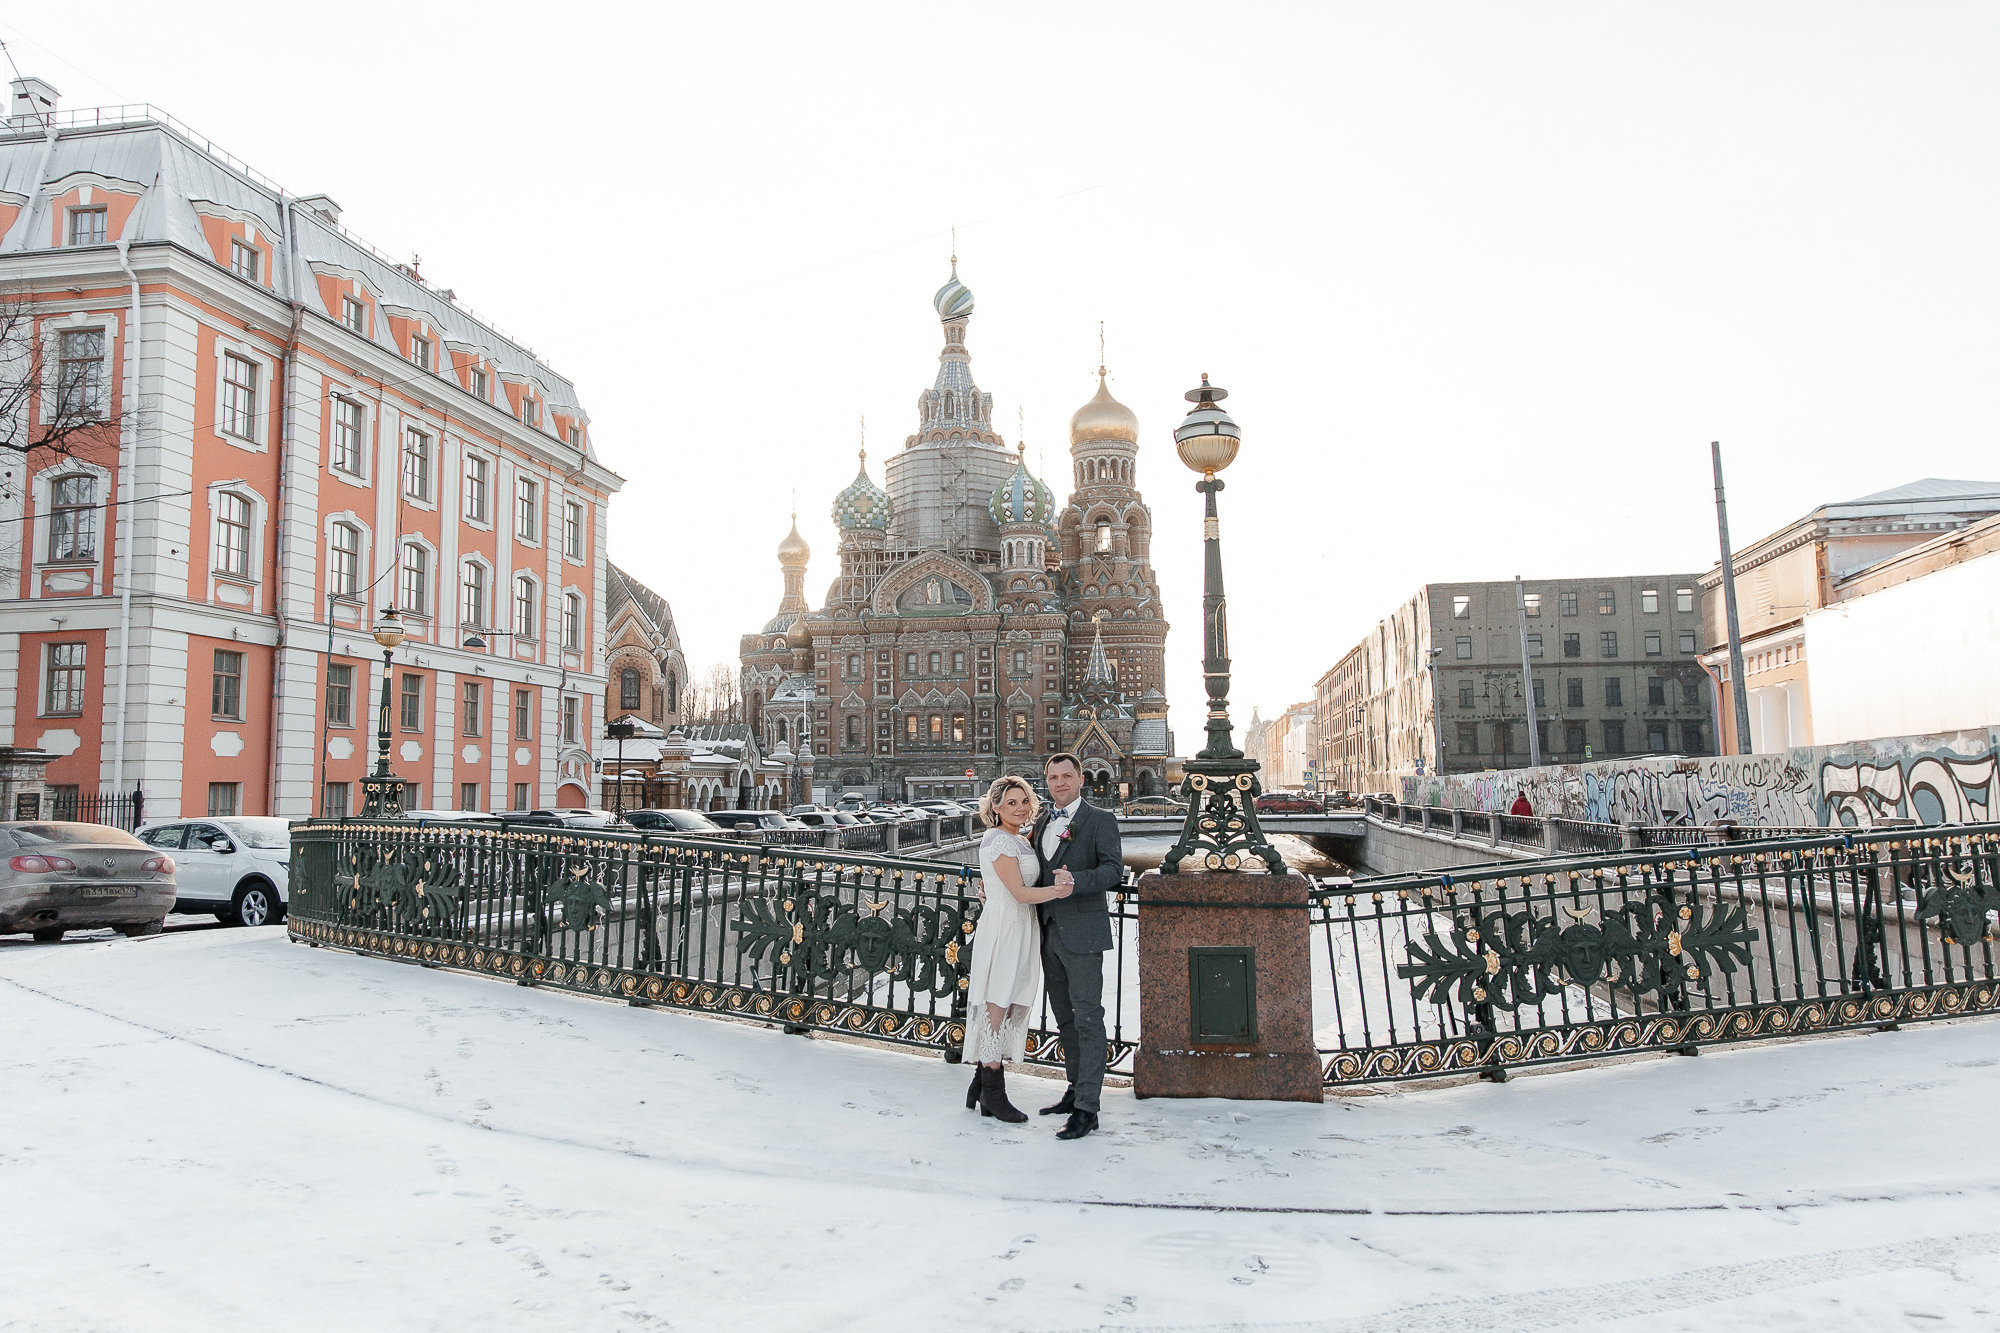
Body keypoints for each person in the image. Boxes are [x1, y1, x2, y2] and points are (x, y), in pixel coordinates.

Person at [963, 774, 1071, 1123]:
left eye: (1024, 801)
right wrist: (1059, 890)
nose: (1020, 808)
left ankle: (981, 1083)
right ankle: (994, 1093)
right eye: (1011, 802)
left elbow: (1008, 883)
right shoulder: (998, 840)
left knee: (1007, 1001)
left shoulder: (1019, 839)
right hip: (1005, 928)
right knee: (997, 1003)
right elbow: (1020, 893)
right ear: (994, 807)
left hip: (1020, 926)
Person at [1030, 752, 1124, 1141]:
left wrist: (1078, 881)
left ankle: (1088, 1108)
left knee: (1088, 1018)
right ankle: (1074, 1088)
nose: (1059, 783)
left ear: (1081, 779)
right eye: (1053, 777)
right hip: (1048, 933)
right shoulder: (1040, 822)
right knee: (1064, 1018)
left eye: (1066, 776)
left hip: (1083, 933)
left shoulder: (1100, 820)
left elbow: (1114, 870)